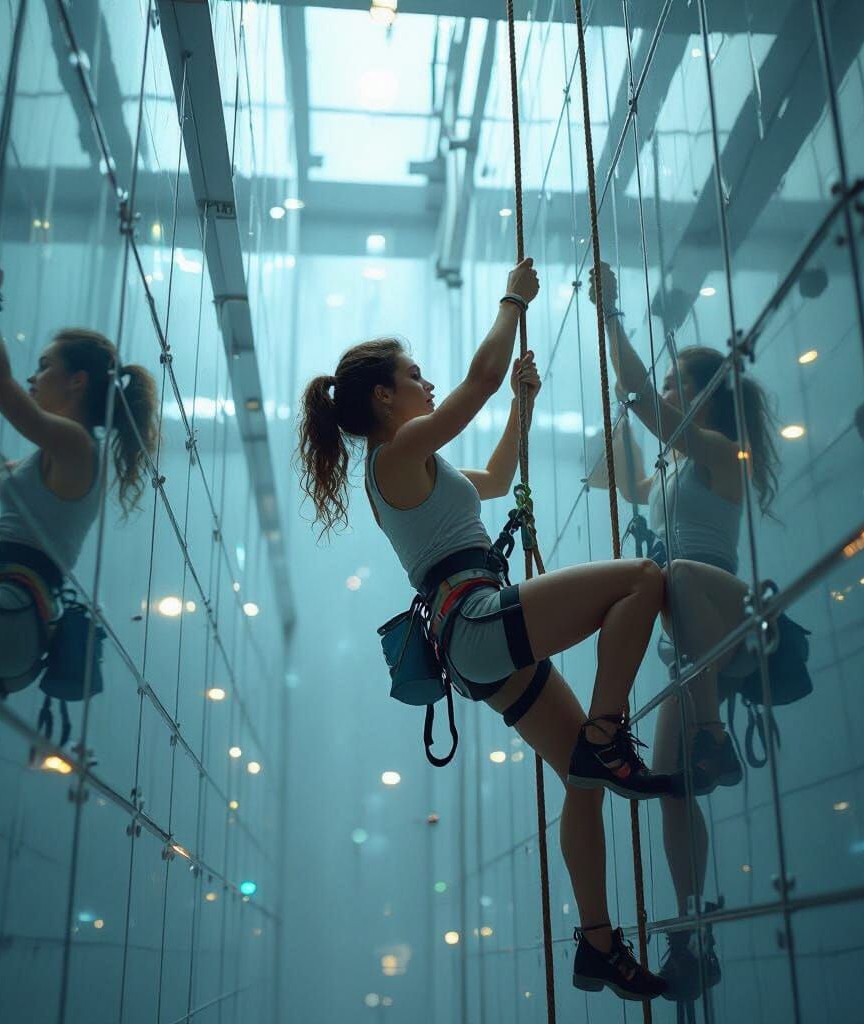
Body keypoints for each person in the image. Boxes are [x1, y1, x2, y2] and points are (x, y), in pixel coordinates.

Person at [299, 258, 676, 1002]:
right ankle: (607, 730)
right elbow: (472, 387)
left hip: (475, 642)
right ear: (384, 396)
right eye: (413, 376)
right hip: (475, 621)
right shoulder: (395, 456)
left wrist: (524, 406)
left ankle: (599, 946)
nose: (427, 384)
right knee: (641, 581)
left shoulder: (416, 468)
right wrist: (512, 300)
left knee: (582, 783)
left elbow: (498, 478)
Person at [587, 262, 781, 1001]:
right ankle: (691, 929)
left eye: (676, 384)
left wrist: (611, 319)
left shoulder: (722, 456)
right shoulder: (682, 467)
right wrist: (618, 466)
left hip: (723, 611)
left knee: (677, 579)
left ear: (703, 399)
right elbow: (642, 477)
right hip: (692, 646)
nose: (666, 392)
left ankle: (714, 738)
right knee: (670, 788)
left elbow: (644, 406)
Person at [0, 239, 159, 743]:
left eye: (45, 365)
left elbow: (0, 380)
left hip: (11, 612)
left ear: (77, 382)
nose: (33, 375)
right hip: (16, 631)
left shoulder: (75, 444)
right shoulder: (56, 456)